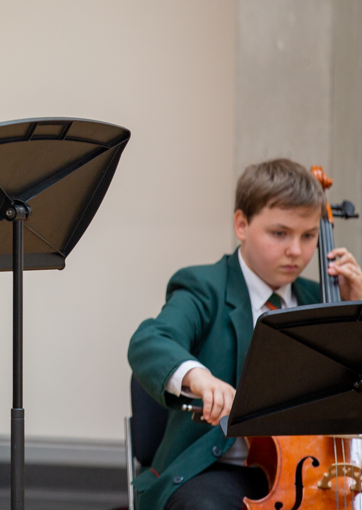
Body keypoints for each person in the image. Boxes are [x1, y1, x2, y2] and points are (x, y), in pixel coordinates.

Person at [128, 158, 362, 510]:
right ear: (242, 224)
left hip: (316, 473)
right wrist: (200, 378)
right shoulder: (204, 286)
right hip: (217, 468)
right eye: (279, 233)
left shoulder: (325, 297)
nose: (296, 251)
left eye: (309, 236)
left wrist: (355, 314)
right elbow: (150, 340)